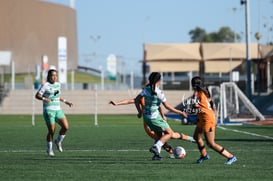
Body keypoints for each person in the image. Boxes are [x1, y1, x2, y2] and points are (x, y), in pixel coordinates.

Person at [135, 72, 194, 160]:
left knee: (160, 136)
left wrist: (139, 112)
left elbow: (137, 100)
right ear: (159, 81)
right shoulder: (159, 92)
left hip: (147, 118)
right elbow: (167, 106)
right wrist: (180, 112)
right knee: (170, 133)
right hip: (155, 118)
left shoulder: (146, 89)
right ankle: (156, 147)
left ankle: (157, 155)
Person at [191, 76, 237, 165]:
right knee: (196, 136)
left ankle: (231, 156)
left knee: (211, 143)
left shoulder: (197, 93)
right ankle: (204, 155)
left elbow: (194, 106)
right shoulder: (204, 91)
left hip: (207, 120)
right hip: (204, 118)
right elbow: (210, 102)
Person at [109, 98, 175, 156]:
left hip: (157, 121)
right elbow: (130, 101)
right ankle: (168, 152)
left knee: (162, 138)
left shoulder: (153, 96)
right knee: (159, 139)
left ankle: (167, 152)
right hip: (148, 124)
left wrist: (163, 116)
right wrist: (117, 103)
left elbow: (159, 106)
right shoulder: (142, 97)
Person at [35, 69, 73, 156]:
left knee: (66, 127)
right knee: (51, 131)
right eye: (52, 75)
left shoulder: (58, 85)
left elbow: (56, 96)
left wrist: (65, 101)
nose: (54, 77)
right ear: (49, 76)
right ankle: (49, 149)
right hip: (49, 111)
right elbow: (37, 95)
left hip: (58, 110)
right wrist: (44, 99)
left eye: (56, 75)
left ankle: (58, 141)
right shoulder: (45, 85)